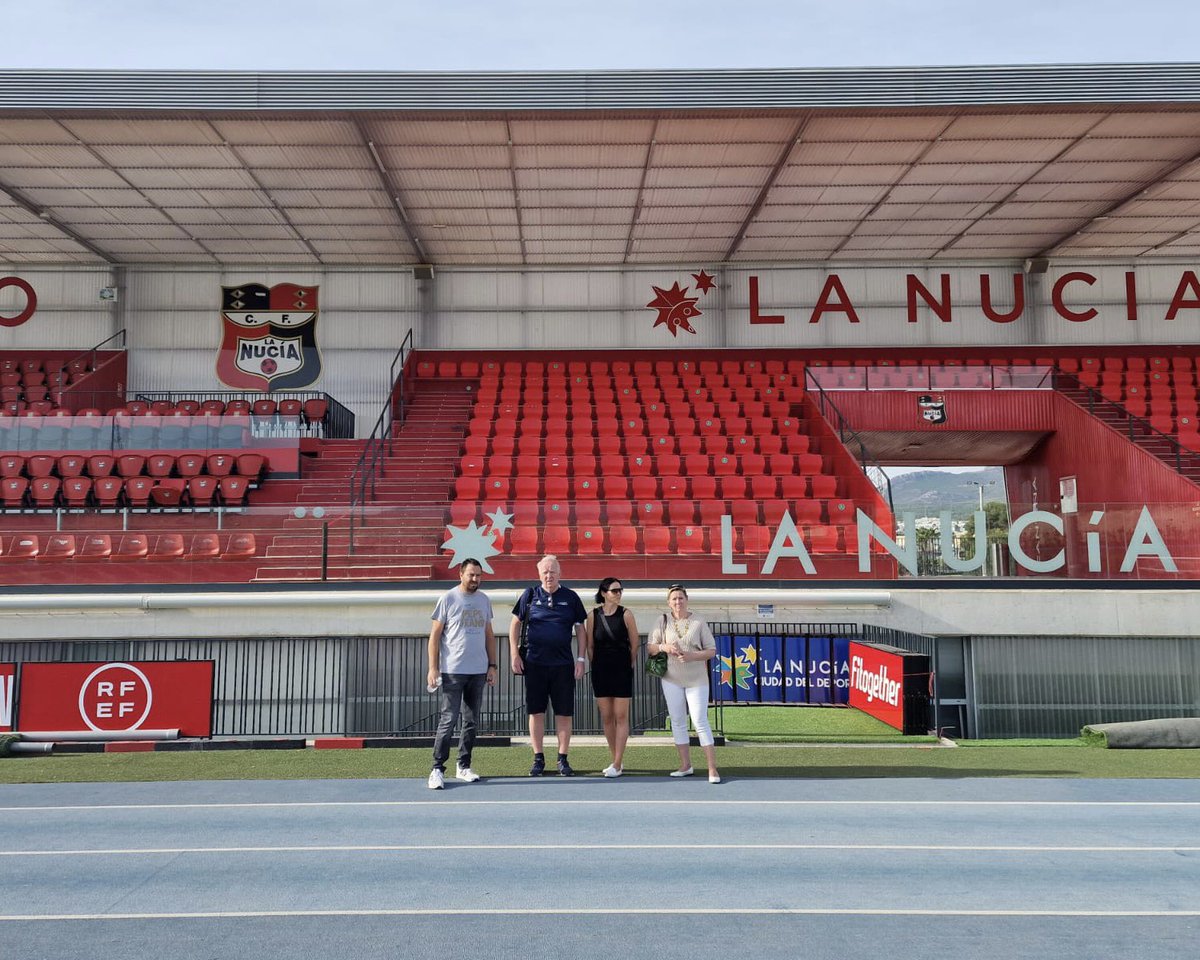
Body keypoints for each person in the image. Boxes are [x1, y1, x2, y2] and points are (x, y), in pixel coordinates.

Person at [509, 554, 588, 776]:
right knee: (536, 712)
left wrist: (581, 659)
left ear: (559, 573)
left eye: (552, 571)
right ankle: (538, 759)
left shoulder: (571, 597)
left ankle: (562, 759)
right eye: (544, 571)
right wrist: (515, 654)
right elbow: (515, 624)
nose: (548, 575)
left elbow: (581, 630)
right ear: (539, 574)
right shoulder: (529, 595)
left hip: (563, 665)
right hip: (534, 664)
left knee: (564, 713)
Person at [426, 558, 498, 789]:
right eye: (471, 575)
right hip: (453, 671)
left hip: (478, 672)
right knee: (448, 720)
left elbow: (489, 635)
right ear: (461, 574)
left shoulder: (484, 600)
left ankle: (463, 766)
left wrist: (492, 666)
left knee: (471, 722)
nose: (475, 579)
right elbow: (435, 636)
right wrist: (433, 668)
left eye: (478, 575)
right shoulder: (448, 598)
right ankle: (437, 769)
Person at [648, 583, 720, 784]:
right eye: (674, 599)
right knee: (678, 721)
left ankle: (712, 768)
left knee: (699, 721)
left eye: (681, 598)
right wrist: (665, 646)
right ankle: (685, 765)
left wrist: (691, 656)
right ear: (668, 602)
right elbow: (651, 648)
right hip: (671, 679)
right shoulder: (662, 620)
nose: (678, 602)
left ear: (686, 600)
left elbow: (711, 650)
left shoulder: (698, 621)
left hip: (696, 679)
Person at [585, 577, 639, 778]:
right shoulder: (593, 615)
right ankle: (615, 759)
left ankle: (617, 762)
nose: (618, 594)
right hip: (601, 670)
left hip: (621, 669)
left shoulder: (626, 614)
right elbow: (590, 645)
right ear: (603, 593)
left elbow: (634, 645)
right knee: (607, 717)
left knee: (621, 716)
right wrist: (595, 664)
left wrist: (628, 665)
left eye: (620, 590)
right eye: (614, 590)